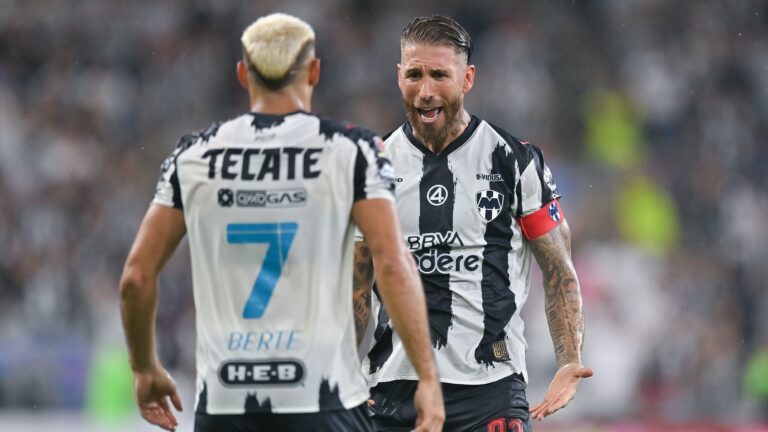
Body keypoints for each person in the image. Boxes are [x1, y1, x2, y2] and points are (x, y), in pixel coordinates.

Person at [119, 13, 444, 432]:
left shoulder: (194, 156)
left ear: (242, 74)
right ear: (314, 71)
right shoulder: (351, 151)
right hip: (323, 398)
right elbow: (393, 264)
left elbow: (136, 278)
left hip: (225, 403)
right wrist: (428, 377)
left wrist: (145, 368)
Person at [356, 15, 593, 432]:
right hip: (395, 391)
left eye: (439, 75)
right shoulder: (372, 168)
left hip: (491, 389)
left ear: (467, 79)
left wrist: (568, 359)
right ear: (398, 77)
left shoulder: (514, 161)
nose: (426, 91)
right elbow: (354, 289)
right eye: (414, 75)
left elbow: (559, 271)